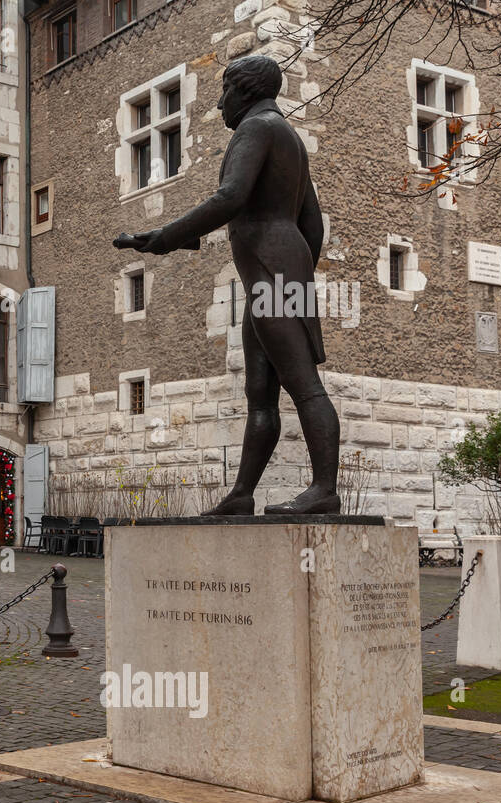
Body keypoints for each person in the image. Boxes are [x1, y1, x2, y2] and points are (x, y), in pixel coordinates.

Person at [114, 55, 339, 515]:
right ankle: (242, 494)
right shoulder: (289, 138)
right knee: (260, 394)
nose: (218, 105)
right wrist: (296, 267)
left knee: (303, 385)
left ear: (246, 91)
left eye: (225, 92)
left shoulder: (255, 129)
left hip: (270, 271)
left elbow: (230, 196)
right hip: (275, 270)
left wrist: (165, 237)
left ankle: (325, 489)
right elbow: (312, 224)